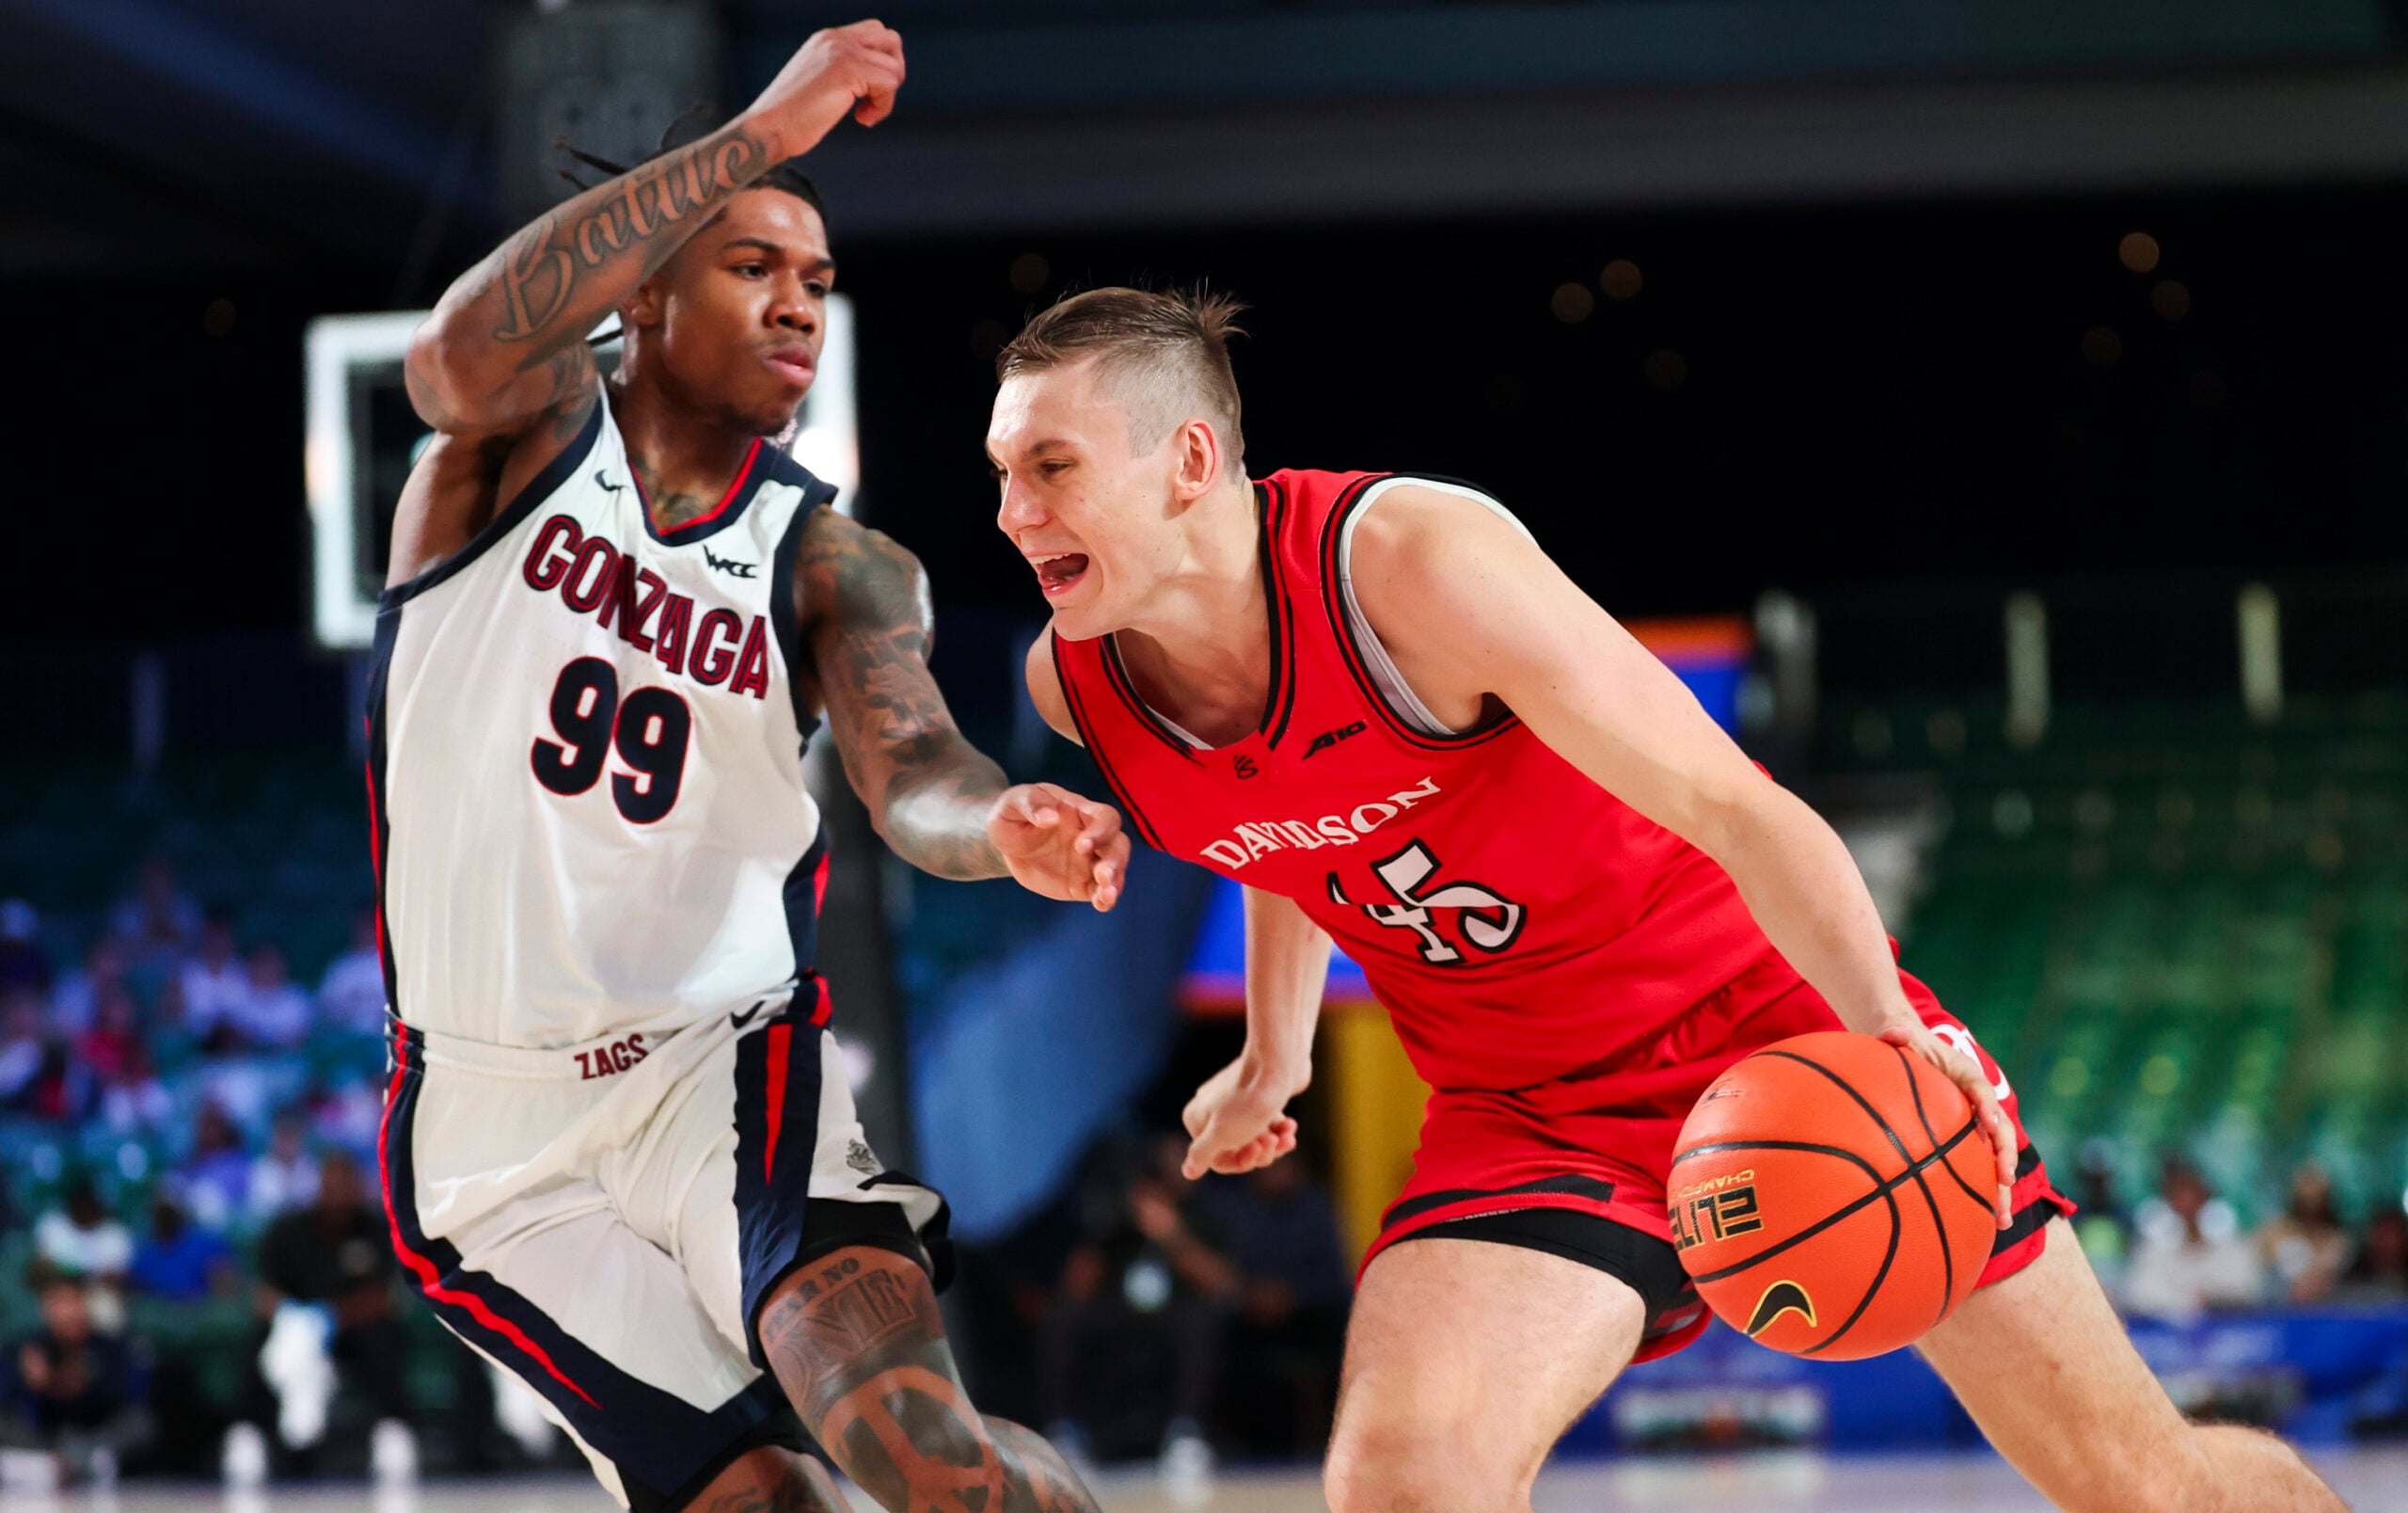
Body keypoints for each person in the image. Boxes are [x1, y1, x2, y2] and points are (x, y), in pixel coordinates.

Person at [987, 287, 2345, 1513]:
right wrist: (1272, 1056)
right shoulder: (1084, 681)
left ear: (1189, 462)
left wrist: (1891, 1031)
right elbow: (1271, 826)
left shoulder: (1409, 569)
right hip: (1526, 1114)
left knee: (2143, 1490)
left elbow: (1735, 806)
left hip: (1776, 1036)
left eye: (1052, 469)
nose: (1013, 514)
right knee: (1410, 1481)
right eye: (1000, 474)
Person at [385, 20, 1116, 1512]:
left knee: (930, 1468)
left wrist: (1000, 822)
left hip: (720, 1066)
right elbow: (453, 351)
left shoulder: (837, 558)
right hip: (487, 1138)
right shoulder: (512, 445)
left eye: (821, 283)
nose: (800, 305)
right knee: (760, 1503)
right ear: (644, 287)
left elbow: (912, 769)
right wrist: (766, 136)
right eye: (756, 266)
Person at [1039, 1135, 1232, 1479]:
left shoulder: (1201, 1213)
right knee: (1062, 1321)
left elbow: (1223, 1286)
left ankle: (1186, 1435)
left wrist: (1169, 1232)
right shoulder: (1114, 1217)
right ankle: (1066, 1434)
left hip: (1173, 1319)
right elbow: (1073, 1291)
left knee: (1200, 1322)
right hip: (1119, 1321)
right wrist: (1102, 1234)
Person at [226, 1153, 415, 1484]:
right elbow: (265, 1293)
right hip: (297, 1329)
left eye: (346, 1183)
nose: (338, 1191)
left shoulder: (375, 1230)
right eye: (331, 1183)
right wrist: (298, 1320)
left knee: (383, 1336)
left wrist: (333, 1317)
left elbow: (385, 1295)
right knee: (258, 1339)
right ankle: (248, 1433)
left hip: (352, 1329)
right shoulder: (288, 1232)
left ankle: (392, 1429)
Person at [0, 1266, 149, 1486]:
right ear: (45, 1308)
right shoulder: (28, 1348)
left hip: (93, 1437)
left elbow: (127, 1398)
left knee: (140, 1423)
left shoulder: (107, 1347)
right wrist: (32, 1384)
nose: (67, 1312)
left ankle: (71, 1465)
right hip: (42, 1439)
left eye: (74, 1301)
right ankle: (57, 1466)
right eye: (59, 1302)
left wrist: (84, 1387)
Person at [2123, 1158, 2263, 1323]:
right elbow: (2141, 1295)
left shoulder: (2234, 1249)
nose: (2186, 1201)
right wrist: (2187, 1303)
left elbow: (2246, 1290)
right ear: (2168, 1200)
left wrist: (2214, 1299)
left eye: (2192, 1193)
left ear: (2205, 1196)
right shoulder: (2153, 1253)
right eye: (2178, 1194)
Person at [2257, 1162, 2352, 1305]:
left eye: (2317, 1193)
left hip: (2328, 1311)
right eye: (2305, 1191)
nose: (2311, 1199)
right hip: (2282, 1310)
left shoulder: (2339, 1238)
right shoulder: (2274, 1233)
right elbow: (2263, 1281)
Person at [128, 1194, 236, 1303]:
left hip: (200, 1311)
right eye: (162, 1214)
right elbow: (137, 1291)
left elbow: (225, 1287)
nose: (166, 1218)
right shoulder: (145, 1251)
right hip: (161, 1312)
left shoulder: (207, 1243)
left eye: (169, 1213)